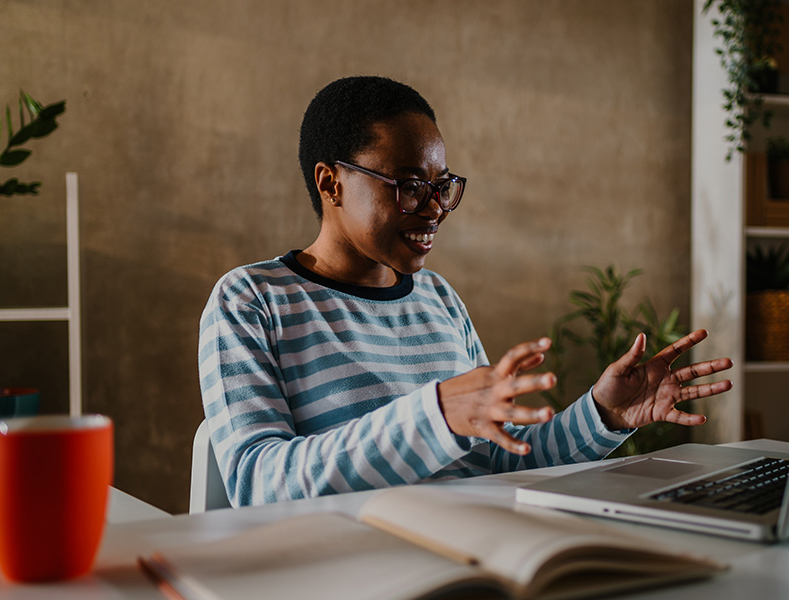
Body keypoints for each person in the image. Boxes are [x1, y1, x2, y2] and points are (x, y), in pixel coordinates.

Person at [199, 76, 733, 506]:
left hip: (472, 552)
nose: (434, 207)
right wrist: (434, 415)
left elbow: (499, 461)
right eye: (409, 186)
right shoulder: (251, 301)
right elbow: (258, 485)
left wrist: (603, 414)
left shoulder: (438, 298)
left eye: (441, 185)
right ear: (331, 182)